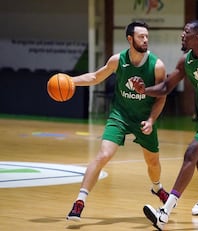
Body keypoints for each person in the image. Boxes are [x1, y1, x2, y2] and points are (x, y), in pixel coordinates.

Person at [131, 19, 198, 230]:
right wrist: (144, 90)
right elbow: (165, 88)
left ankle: (164, 212)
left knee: (191, 153)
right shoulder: (186, 62)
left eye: (186, 32)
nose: (182, 35)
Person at [66, 21, 169, 221]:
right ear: (130, 39)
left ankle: (157, 188)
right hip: (120, 115)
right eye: (141, 36)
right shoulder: (117, 60)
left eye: (147, 36)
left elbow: (161, 97)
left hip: (143, 118)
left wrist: (151, 120)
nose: (146, 40)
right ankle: (79, 202)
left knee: (153, 161)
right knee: (104, 154)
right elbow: (95, 77)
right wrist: (71, 81)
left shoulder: (157, 66)